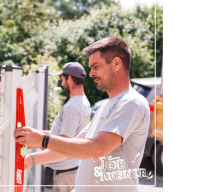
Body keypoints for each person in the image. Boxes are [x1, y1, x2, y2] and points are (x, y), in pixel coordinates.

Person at [15, 37, 150, 192]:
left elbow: (97, 150)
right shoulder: (107, 106)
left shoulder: (131, 102)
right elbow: (74, 144)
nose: (91, 73)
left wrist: (42, 140)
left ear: (116, 63)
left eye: (96, 66)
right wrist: (36, 140)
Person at [25, 62, 91, 192]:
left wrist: (30, 160)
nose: (62, 84)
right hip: (70, 170)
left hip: (60, 175)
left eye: (62, 80)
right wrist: (35, 136)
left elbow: (63, 147)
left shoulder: (71, 108)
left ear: (70, 79)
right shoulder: (84, 102)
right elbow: (66, 135)